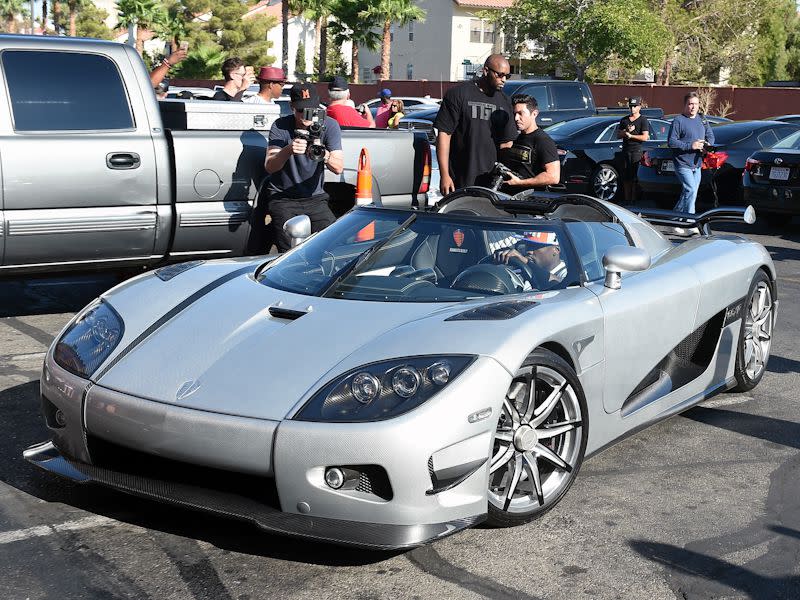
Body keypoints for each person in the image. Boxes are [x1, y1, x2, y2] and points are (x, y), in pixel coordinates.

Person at [264, 83, 344, 252]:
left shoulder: (328, 125)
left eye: (312, 109)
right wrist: (287, 150)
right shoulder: (281, 126)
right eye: (301, 110)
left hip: (315, 197)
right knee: (289, 251)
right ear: (292, 107)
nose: (307, 115)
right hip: (283, 198)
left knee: (330, 243)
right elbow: (270, 166)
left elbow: (338, 168)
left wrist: (324, 154)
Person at [434, 54, 518, 194]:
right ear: (486, 71)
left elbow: (506, 142)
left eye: (507, 76)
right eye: (500, 75)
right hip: (459, 178)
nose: (504, 80)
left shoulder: (505, 101)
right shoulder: (458, 94)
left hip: (491, 182)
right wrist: (444, 175)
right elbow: (444, 134)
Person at [668, 91, 714, 234]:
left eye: (695, 104)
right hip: (682, 162)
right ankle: (690, 223)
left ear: (699, 105)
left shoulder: (702, 120)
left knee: (687, 193)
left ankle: (673, 220)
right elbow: (671, 142)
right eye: (690, 104)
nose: (693, 107)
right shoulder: (678, 120)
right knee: (691, 190)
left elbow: (711, 136)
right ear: (685, 105)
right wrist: (690, 146)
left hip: (697, 163)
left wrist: (707, 145)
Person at [498, 94, 560, 192]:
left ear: (534, 114)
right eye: (514, 114)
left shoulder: (543, 141)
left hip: (530, 199)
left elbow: (553, 176)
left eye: (520, 113)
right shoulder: (518, 137)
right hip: (510, 197)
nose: (516, 118)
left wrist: (520, 183)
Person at [494, 232, 567, 289]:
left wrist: (525, 261)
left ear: (556, 250)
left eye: (535, 246)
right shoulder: (522, 270)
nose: (529, 251)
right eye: (527, 246)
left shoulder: (566, 273)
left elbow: (559, 286)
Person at [616, 96, 649, 204]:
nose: (632, 108)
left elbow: (644, 137)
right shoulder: (624, 120)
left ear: (640, 106)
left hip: (636, 151)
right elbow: (618, 135)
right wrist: (626, 131)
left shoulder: (643, 120)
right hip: (626, 150)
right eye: (631, 106)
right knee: (626, 176)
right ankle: (626, 199)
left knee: (634, 176)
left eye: (635, 106)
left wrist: (631, 136)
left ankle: (633, 200)